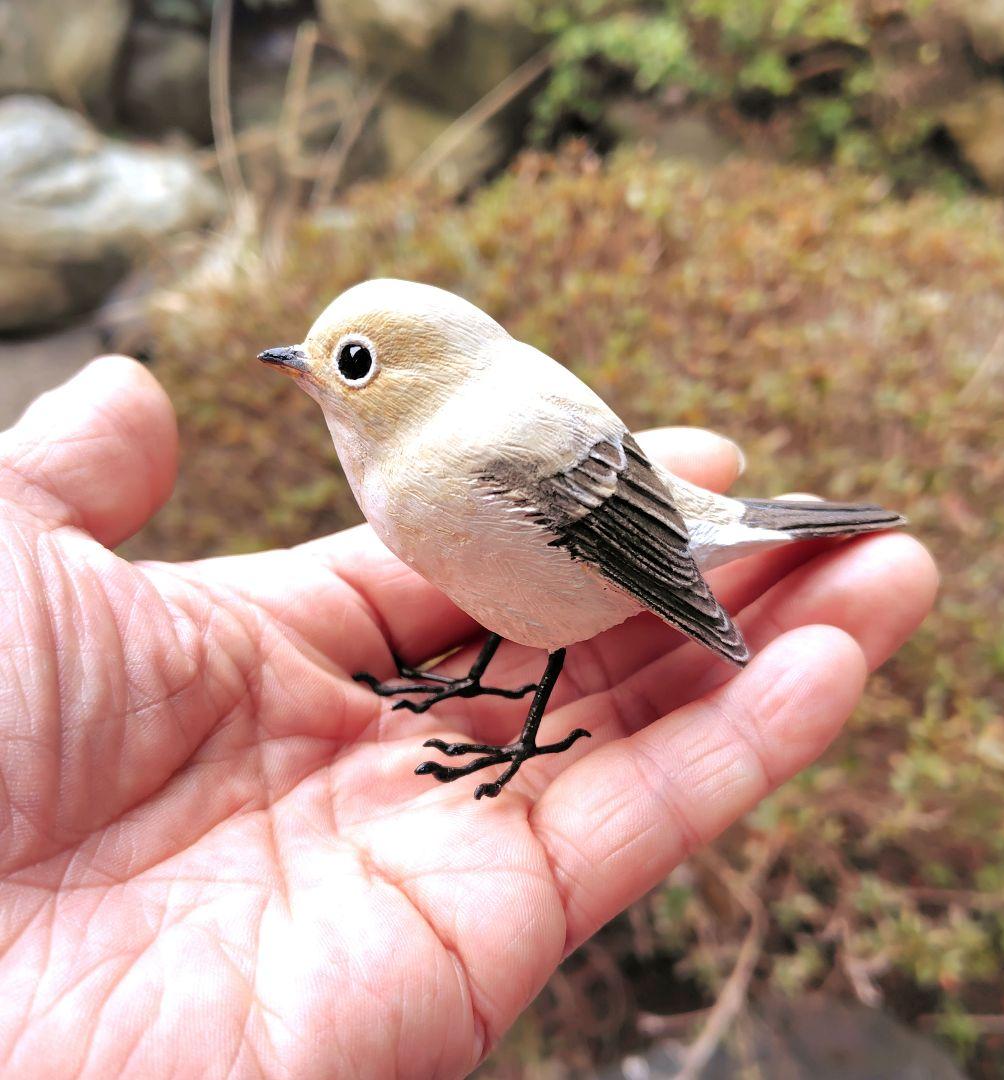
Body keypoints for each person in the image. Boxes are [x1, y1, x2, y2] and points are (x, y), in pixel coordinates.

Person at [0, 356, 936, 1076]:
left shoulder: (480, 441)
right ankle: (482, 691)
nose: (312, 371)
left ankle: (524, 728)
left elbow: (613, 536)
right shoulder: (408, 458)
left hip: (636, 542)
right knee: (517, 612)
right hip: (553, 574)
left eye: (352, 361)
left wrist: (687, 601)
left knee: (547, 626)